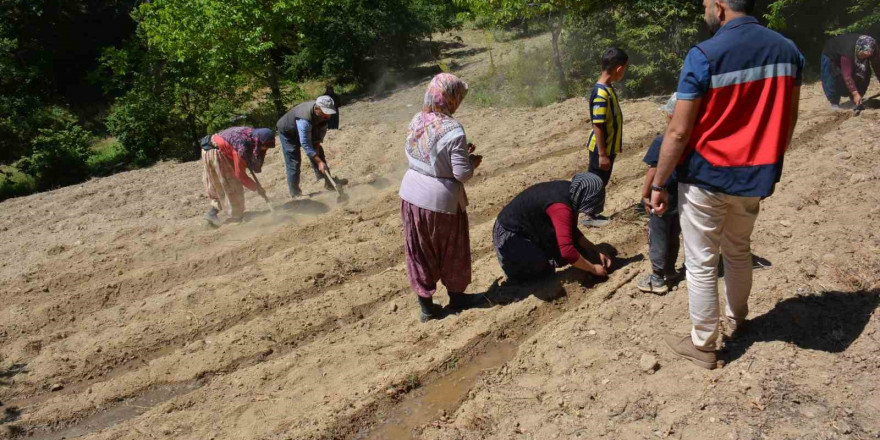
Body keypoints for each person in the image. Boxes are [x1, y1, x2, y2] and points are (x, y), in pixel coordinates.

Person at [649, 0, 803, 370]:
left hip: (707, 178)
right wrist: (769, 160)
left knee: (702, 261)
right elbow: (789, 119)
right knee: (738, 251)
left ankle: (704, 345)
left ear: (719, 7)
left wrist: (659, 180)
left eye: (705, 3)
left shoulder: (705, 54)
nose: (703, 9)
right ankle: (738, 320)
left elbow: (680, 129)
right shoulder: (788, 50)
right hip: (754, 176)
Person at [399, 73, 483, 323]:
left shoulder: (416, 119)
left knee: (419, 251)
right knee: (451, 249)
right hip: (441, 202)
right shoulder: (453, 129)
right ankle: (458, 298)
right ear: (451, 97)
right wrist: (471, 162)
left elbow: (421, 155)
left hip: (410, 195)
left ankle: (426, 307)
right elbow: (462, 174)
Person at [493, 172, 613, 283]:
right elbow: (567, 252)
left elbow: (571, 230)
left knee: (577, 248)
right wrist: (593, 269)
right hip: (510, 234)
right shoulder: (561, 208)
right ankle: (519, 273)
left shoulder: (572, 191)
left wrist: (595, 250)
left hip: (530, 227)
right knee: (542, 272)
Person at [637, 94, 681, 295]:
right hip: (681, 198)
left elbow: (653, 170)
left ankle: (656, 278)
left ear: (671, 116)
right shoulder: (691, 140)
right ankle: (671, 271)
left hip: (662, 197)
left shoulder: (662, 141)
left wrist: (646, 194)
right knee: (674, 235)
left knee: (658, 236)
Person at [582, 47, 629, 228]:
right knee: (596, 181)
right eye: (624, 68)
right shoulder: (601, 93)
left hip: (607, 148)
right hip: (602, 149)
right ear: (619, 69)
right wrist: (602, 154)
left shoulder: (607, 88)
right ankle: (589, 215)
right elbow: (598, 124)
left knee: (601, 180)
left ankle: (593, 212)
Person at [201, 127, 275, 227]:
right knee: (232, 184)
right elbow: (240, 175)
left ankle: (212, 213)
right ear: (258, 142)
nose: (265, 149)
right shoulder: (242, 147)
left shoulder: (250, 135)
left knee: (221, 185)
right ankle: (236, 217)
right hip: (216, 153)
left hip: (210, 150)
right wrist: (257, 188)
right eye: (265, 146)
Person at [276, 96, 345, 198]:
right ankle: (295, 194)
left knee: (319, 154)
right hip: (288, 133)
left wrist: (317, 149)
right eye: (325, 113)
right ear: (317, 109)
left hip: (308, 128)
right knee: (294, 161)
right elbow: (305, 144)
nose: (328, 116)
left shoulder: (324, 115)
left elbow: (319, 135)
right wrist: (319, 162)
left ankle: (329, 183)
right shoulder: (304, 120)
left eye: (329, 113)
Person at [821, 34, 879, 111]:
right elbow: (847, 75)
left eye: (867, 56)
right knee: (831, 75)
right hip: (832, 53)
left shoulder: (874, 49)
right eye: (863, 55)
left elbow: (878, 68)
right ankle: (834, 103)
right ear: (858, 49)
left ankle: (856, 100)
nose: (865, 58)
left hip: (853, 53)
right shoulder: (848, 50)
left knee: (865, 72)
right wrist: (855, 93)